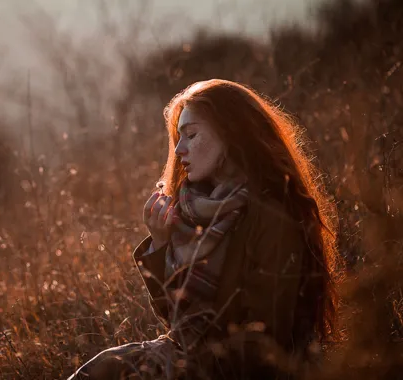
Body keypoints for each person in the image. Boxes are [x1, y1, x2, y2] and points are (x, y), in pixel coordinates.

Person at [67, 79, 342, 379]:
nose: (179, 149)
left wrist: (185, 366)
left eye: (191, 135)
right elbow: (177, 321)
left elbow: (264, 345)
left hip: (236, 371)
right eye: (177, 138)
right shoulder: (194, 209)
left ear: (230, 133)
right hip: (193, 358)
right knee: (99, 370)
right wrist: (160, 244)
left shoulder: (273, 220)